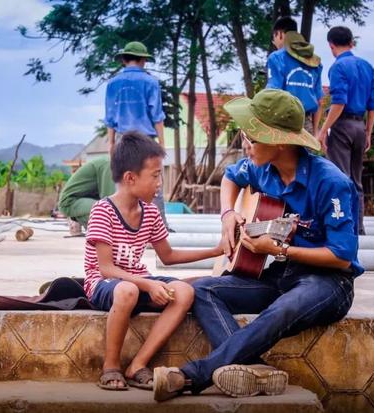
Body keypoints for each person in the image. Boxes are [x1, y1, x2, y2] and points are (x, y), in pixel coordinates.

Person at [153, 89, 362, 401]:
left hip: (329, 283)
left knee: (284, 307)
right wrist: (228, 214)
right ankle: (255, 370)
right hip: (284, 274)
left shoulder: (331, 182)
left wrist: (277, 250)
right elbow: (229, 177)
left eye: (251, 137)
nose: (245, 145)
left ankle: (189, 376)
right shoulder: (261, 167)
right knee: (204, 289)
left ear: (277, 141)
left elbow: (342, 257)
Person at [85, 131, 223, 391]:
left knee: (183, 291)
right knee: (127, 290)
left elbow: (168, 256)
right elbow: (105, 269)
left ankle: (138, 364)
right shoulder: (103, 210)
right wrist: (148, 286)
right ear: (130, 178)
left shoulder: (149, 211)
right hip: (105, 284)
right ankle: (111, 366)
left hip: (138, 282)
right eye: (155, 175)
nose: (160, 183)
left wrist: (214, 251)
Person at [318, 26, 374, 235]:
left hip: (342, 126)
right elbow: (373, 105)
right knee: (356, 180)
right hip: (360, 126)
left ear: (331, 45)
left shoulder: (338, 67)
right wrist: (368, 132)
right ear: (351, 42)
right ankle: (358, 227)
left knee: (340, 178)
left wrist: (323, 129)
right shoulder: (367, 67)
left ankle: (343, 227)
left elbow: (339, 103)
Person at [104, 41, 168, 227]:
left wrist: (111, 143)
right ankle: (157, 226)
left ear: (124, 59)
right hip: (146, 140)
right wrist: (161, 143)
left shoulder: (113, 83)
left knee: (125, 181)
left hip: (124, 140)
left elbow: (110, 117)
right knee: (153, 180)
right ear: (143, 60)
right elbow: (157, 115)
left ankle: (123, 225)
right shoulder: (151, 82)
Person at [267, 16, 324, 135]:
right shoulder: (315, 62)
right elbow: (319, 101)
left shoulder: (276, 57)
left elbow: (272, 93)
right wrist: (315, 131)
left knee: (284, 154)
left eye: (274, 38)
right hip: (306, 124)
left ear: (280, 34)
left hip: (283, 123)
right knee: (304, 154)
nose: (274, 42)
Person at [58, 157, 115, 235]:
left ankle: (79, 218)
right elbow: (111, 204)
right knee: (106, 213)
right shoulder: (108, 166)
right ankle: (75, 218)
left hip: (85, 198)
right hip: (69, 202)